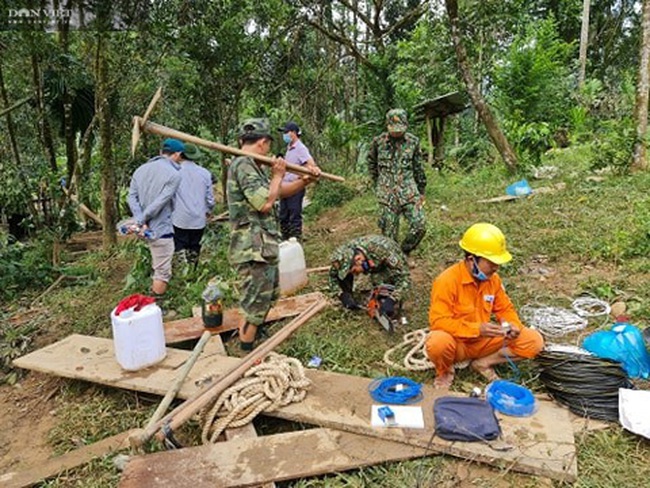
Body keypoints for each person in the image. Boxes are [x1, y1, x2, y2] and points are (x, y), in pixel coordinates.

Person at [227, 118, 319, 350]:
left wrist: (304, 180)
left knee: (266, 295)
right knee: (254, 300)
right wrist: (278, 174)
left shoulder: (253, 165)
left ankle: (254, 338)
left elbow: (278, 193)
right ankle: (247, 350)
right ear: (263, 142)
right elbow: (264, 204)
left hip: (263, 244)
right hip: (251, 246)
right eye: (268, 143)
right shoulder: (243, 165)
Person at [425, 223, 544, 389]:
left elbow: (504, 308)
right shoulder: (446, 281)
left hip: (483, 342)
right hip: (457, 344)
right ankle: (445, 371)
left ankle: (483, 363)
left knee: (533, 341)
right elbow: (438, 321)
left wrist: (513, 325)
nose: (496, 268)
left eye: (497, 263)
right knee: (437, 342)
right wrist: (476, 329)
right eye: (491, 262)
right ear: (471, 259)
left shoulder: (493, 280)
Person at [128, 138, 184, 297]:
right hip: (160, 228)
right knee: (162, 271)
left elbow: (132, 197)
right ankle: (156, 305)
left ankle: (153, 297)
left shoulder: (140, 170)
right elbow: (160, 202)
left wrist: (140, 221)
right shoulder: (174, 174)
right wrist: (142, 220)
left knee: (157, 262)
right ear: (177, 154)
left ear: (161, 152)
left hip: (142, 229)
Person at [368, 108, 426, 255]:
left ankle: (404, 251)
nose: (396, 132)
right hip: (386, 195)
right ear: (387, 126)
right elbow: (371, 163)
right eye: (393, 129)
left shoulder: (413, 142)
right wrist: (378, 184)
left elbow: (418, 167)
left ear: (406, 125)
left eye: (400, 129)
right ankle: (394, 262)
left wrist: (421, 190)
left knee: (419, 225)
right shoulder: (378, 142)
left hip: (409, 192)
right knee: (389, 236)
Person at [328, 235, 411, 317]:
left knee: (383, 286)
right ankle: (350, 296)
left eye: (354, 270)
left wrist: (392, 299)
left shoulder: (383, 251)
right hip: (371, 263)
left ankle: (387, 298)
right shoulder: (344, 256)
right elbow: (333, 276)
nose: (354, 274)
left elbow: (404, 277)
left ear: (358, 259)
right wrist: (342, 294)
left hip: (386, 264)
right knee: (343, 276)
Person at [172, 143, 215, 269]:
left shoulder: (175, 172)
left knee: (180, 244)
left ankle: (182, 271)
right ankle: (193, 269)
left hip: (180, 217)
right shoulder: (205, 173)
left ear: (180, 155)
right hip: (198, 218)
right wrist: (209, 210)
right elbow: (210, 198)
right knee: (195, 244)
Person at [277, 121, 319, 241]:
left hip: (295, 188)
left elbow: (311, 165)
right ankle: (285, 241)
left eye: (286, 132)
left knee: (294, 215)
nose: (284, 135)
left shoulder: (300, 148)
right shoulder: (290, 148)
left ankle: (296, 241)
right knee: (283, 216)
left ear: (294, 133)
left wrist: (304, 177)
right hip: (285, 187)